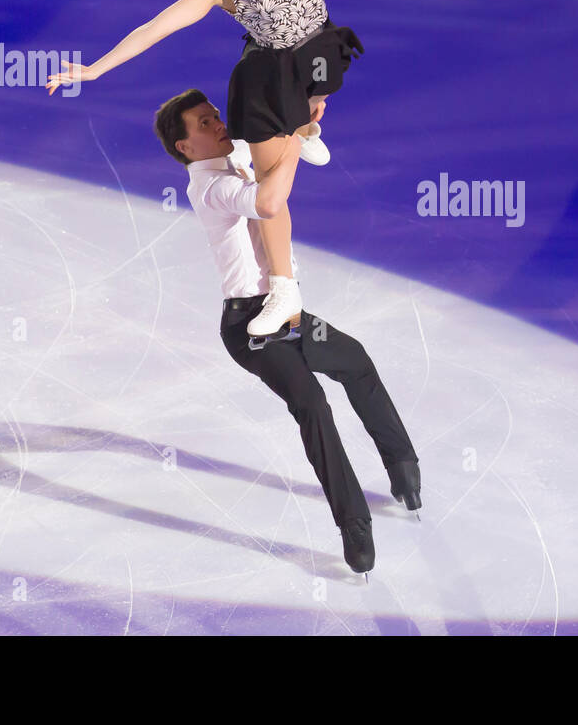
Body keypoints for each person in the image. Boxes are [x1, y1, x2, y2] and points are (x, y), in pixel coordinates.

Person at [46, 0, 384, 340]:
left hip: (321, 54)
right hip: (271, 75)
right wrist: (97, 69)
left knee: (322, 82)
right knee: (270, 189)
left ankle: (306, 126)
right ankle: (284, 289)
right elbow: (158, 25)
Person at [152, 88, 420, 576]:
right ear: (184, 148)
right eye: (204, 124)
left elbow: (268, 125)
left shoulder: (231, 153)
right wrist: (295, 143)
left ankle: (403, 469)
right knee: (312, 404)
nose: (218, 124)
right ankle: (354, 525)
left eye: (214, 115)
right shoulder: (209, 188)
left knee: (355, 361)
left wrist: (303, 113)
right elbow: (270, 201)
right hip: (251, 328)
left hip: (288, 315)